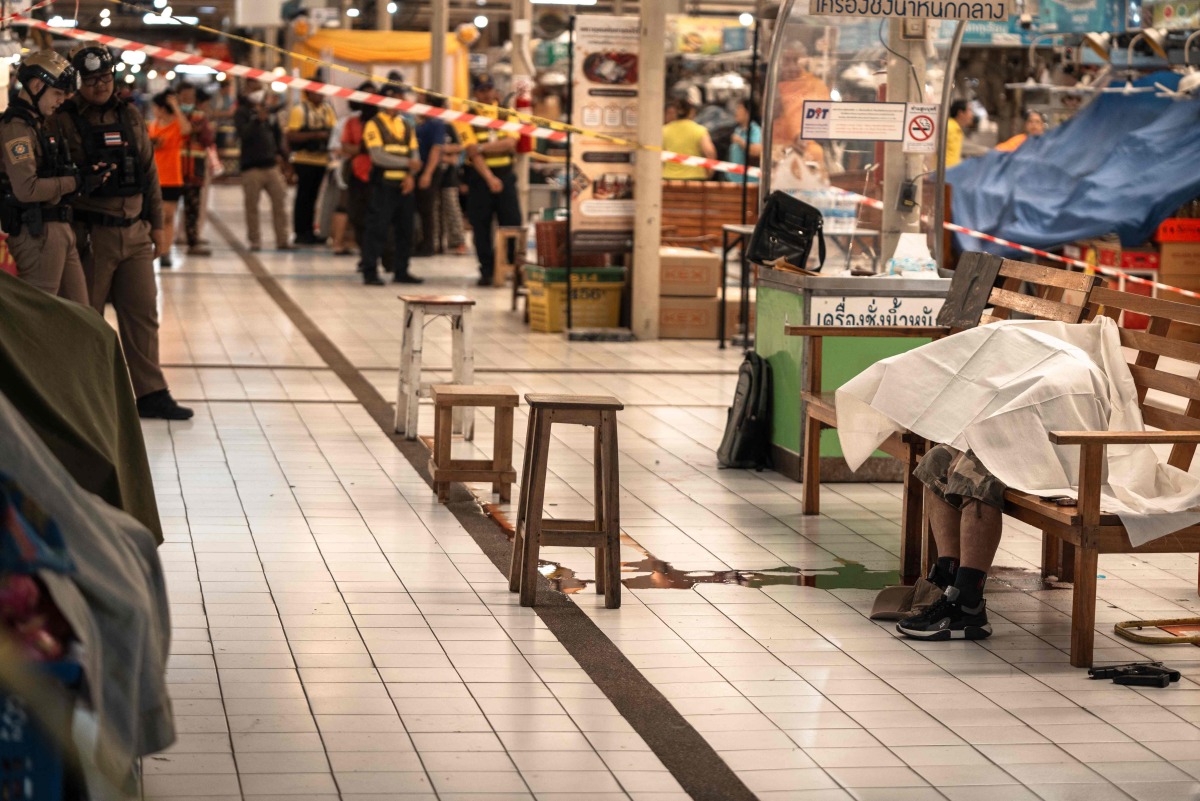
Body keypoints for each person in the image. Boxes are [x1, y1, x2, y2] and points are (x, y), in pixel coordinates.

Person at [52, 44, 193, 421]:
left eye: (105, 78)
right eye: (91, 79)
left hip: (134, 234)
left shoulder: (129, 114)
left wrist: (159, 227)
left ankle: (151, 393)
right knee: (87, 318)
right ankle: (83, 397)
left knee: (143, 314)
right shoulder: (62, 120)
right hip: (90, 234)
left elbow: (148, 173)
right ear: (78, 81)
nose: (99, 85)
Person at [0, 50, 100, 304]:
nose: (61, 100)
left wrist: (86, 176)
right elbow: (27, 189)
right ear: (36, 85)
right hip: (37, 235)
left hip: (58, 229)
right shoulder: (16, 128)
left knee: (80, 317)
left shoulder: (38, 124)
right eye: (57, 93)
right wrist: (76, 182)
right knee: (41, 321)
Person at [894, 446, 1002, 640]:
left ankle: (967, 603)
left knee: (973, 471)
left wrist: (973, 447)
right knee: (938, 461)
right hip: (1007, 441)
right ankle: (947, 579)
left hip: (1048, 448)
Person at [454, 75, 521, 286]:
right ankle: (487, 270)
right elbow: (472, 153)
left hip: (506, 176)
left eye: (489, 89)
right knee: (481, 226)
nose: (486, 94)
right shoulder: (466, 117)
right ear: (475, 93)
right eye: (481, 90)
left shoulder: (506, 114)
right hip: (480, 179)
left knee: (512, 223)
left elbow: (510, 143)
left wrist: (483, 147)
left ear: (494, 90)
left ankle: (509, 267)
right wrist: (489, 177)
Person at [358, 84, 423, 286]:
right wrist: (406, 164)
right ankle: (370, 271)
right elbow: (378, 156)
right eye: (396, 97)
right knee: (377, 229)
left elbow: (415, 156)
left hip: (405, 185)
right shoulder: (374, 124)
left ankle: (401, 270)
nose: (399, 101)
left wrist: (411, 176)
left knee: (406, 229)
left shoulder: (407, 125)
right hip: (383, 185)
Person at [235, 78, 292, 252]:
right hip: (251, 167)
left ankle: (282, 239)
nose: (258, 92)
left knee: (280, 202)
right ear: (247, 90)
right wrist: (256, 120)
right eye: (254, 88)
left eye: (260, 88)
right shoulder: (242, 112)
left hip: (271, 166)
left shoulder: (269, 113)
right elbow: (243, 135)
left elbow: (277, 136)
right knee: (252, 206)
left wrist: (284, 158)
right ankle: (255, 240)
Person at [286, 89, 336, 245]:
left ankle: (310, 231)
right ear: (308, 94)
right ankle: (300, 232)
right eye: (316, 92)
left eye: (322, 92)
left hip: (322, 160)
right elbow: (291, 135)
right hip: (304, 159)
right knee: (303, 197)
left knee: (314, 198)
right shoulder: (299, 110)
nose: (320, 95)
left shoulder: (327, 109)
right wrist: (315, 135)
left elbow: (333, 130)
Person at [147, 90, 190, 268]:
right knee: (155, 217)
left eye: (156, 108)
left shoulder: (176, 126)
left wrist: (175, 107)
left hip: (172, 178)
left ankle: (166, 252)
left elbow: (187, 129)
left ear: (162, 108)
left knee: (168, 217)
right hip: (154, 177)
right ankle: (156, 249)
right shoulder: (153, 126)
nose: (154, 111)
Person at [176, 83, 215, 255]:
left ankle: (192, 241)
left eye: (192, 97)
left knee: (193, 207)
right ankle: (165, 245)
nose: (189, 100)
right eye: (186, 96)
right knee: (167, 209)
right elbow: (186, 131)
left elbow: (206, 137)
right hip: (174, 168)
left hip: (194, 169)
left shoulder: (199, 115)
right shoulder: (171, 114)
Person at [341, 82, 377, 261]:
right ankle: (366, 256)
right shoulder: (352, 122)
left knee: (377, 219)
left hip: (378, 176)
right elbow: (346, 146)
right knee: (357, 217)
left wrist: (366, 149)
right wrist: (363, 149)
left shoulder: (381, 122)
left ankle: (382, 256)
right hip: (357, 175)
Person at [414, 95, 447, 258]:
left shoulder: (436, 124)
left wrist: (427, 173)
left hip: (429, 170)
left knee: (427, 209)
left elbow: (436, 149)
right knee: (419, 209)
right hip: (419, 170)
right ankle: (420, 241)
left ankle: (428, 245)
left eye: (420, 103)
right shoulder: (422, 124)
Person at [662, 98, 716, 180]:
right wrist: (709, 172)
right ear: (691, 112)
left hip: (668, 177)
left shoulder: (664, 130)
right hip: (695, 177)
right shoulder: (700, 130)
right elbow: (710, 152)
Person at [722, 98, 761, 183]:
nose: (736, 112)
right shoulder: (738, 130)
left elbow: (755, 151)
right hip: (733, 180)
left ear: (748, 112)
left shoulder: (755, 130)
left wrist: (740, 141)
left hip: (749, 182)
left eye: (739, 108)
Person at [946, 99, 974, 168]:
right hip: (943, 174)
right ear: (961, 113)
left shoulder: (957, 128)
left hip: (950, 173)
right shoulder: (949, 127)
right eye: (969, 110)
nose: (972, 115)